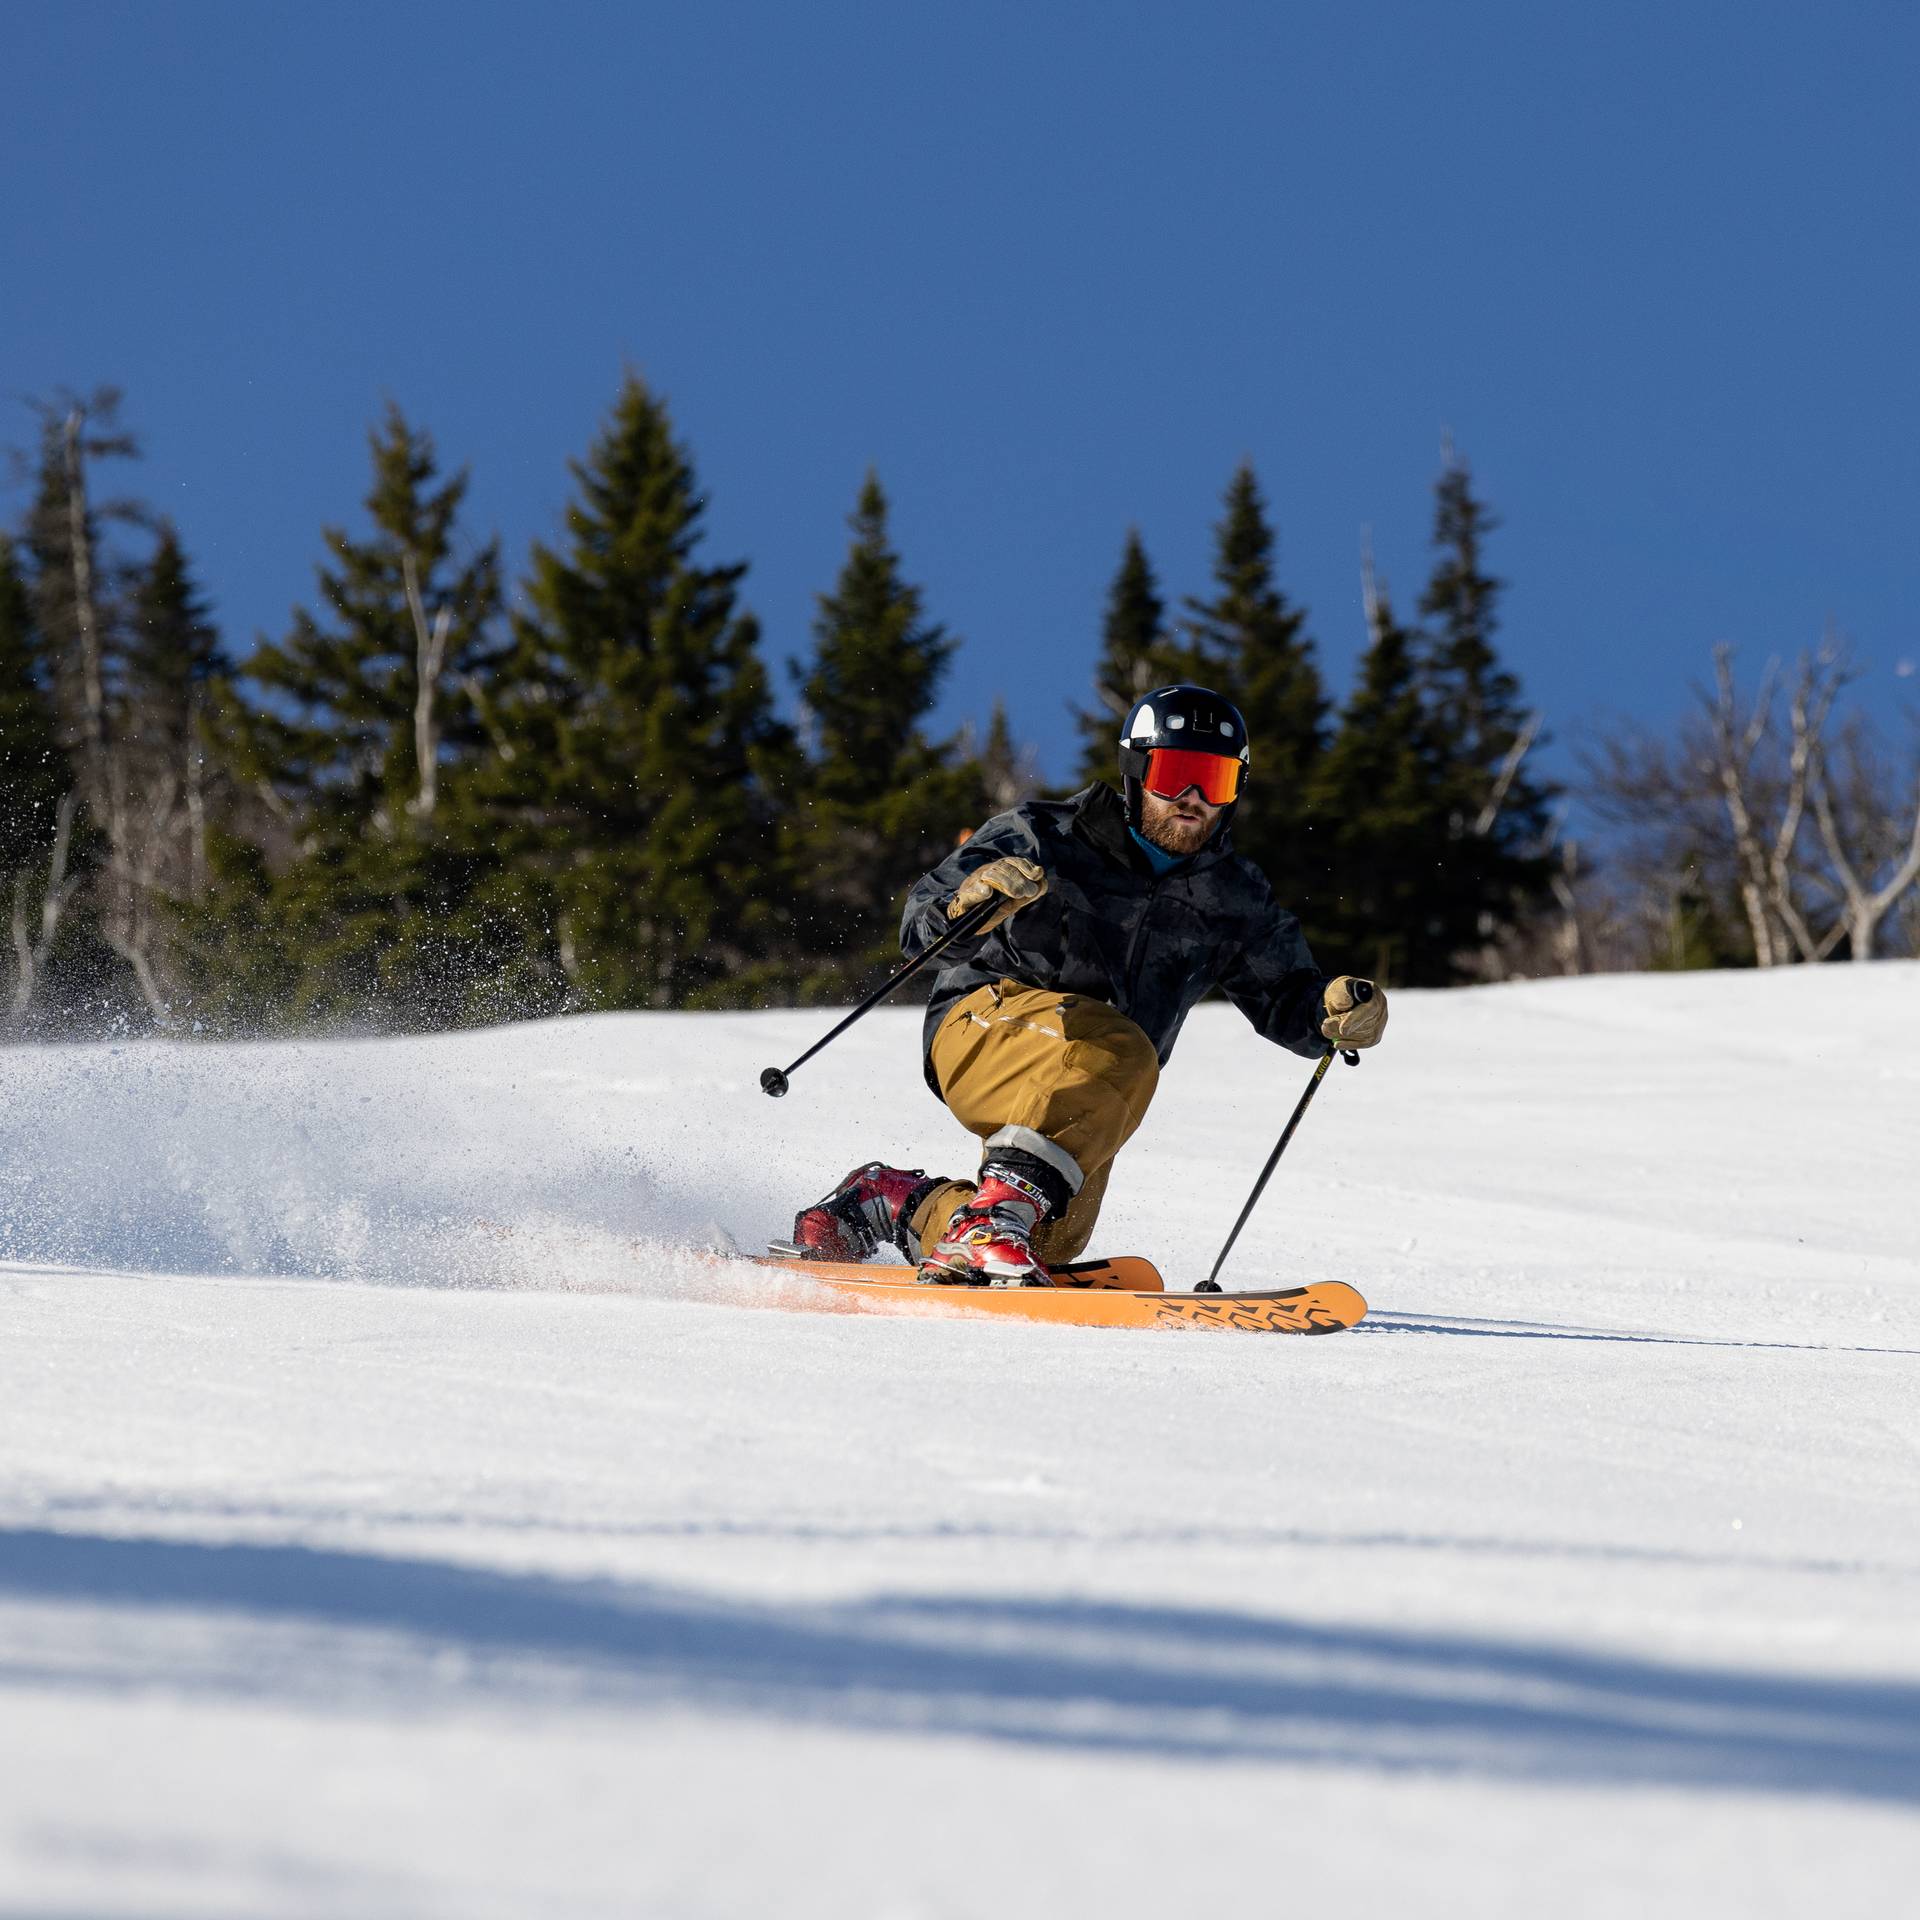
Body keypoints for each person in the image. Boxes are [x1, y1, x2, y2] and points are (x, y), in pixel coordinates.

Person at [790, 683, 1388, 1286]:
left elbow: (1289, 998)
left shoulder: (1231, 894)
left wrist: (1330, 1014)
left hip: (1093, 1083)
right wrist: (969, 903)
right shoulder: (1045, 836)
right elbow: (922, 926)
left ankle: (888, 1202)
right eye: (1175, 773)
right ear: (1135, 771)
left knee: (1048, 1237)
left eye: (1216, 780)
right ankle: (993, 1223)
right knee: (1120, 1049)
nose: (1193, 798)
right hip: (981, 1028)